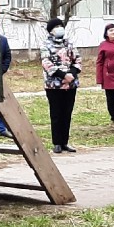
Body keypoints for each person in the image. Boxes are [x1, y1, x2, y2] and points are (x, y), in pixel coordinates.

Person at [40, 17, 81, 153]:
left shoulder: (69, 43)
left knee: (67, 113)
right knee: (56, 113)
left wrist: (72, 74)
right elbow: (46, 63)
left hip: (70, 85)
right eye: (56, 26)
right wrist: (63, 76)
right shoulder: (46, 45)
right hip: (54, 85)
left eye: (60, 26)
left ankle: (65, 142)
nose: (59, 28)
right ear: (51, 30)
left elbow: (78, 60)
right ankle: (57, 142)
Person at [96, 23, 114, 128]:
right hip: (109, 76)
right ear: (106, 33)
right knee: (111, 99)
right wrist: (99, 79)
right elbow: (99, 62)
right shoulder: (104, 45)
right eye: (111, 31)